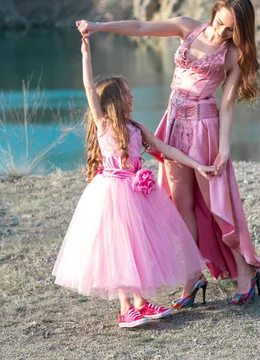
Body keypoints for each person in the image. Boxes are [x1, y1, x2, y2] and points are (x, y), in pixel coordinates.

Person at [75, 0, 260, 306]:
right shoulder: (186, 27)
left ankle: (245, 271)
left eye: (231, 30)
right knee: (180, 205)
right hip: (174, 123)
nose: (221, 33)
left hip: (204, 128)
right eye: (220, 23)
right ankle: (193, 276)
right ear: (214, 11)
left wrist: (224, 149)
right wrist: (98, 26)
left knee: (215, 202)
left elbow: (228, 106)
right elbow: (140, 27)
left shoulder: (231, 55)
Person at [52, 36, 214, 328]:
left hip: (138, 196)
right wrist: (85, 52)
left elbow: (167, 150)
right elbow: (89, 87)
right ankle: (126, 307)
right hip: (112, 194)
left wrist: (198, 164)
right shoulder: (104, 124)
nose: (132, 97)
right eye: (127, 93)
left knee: (139, 247)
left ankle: (141, 302)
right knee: (120, 248)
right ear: (114, 100)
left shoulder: (137, 128)